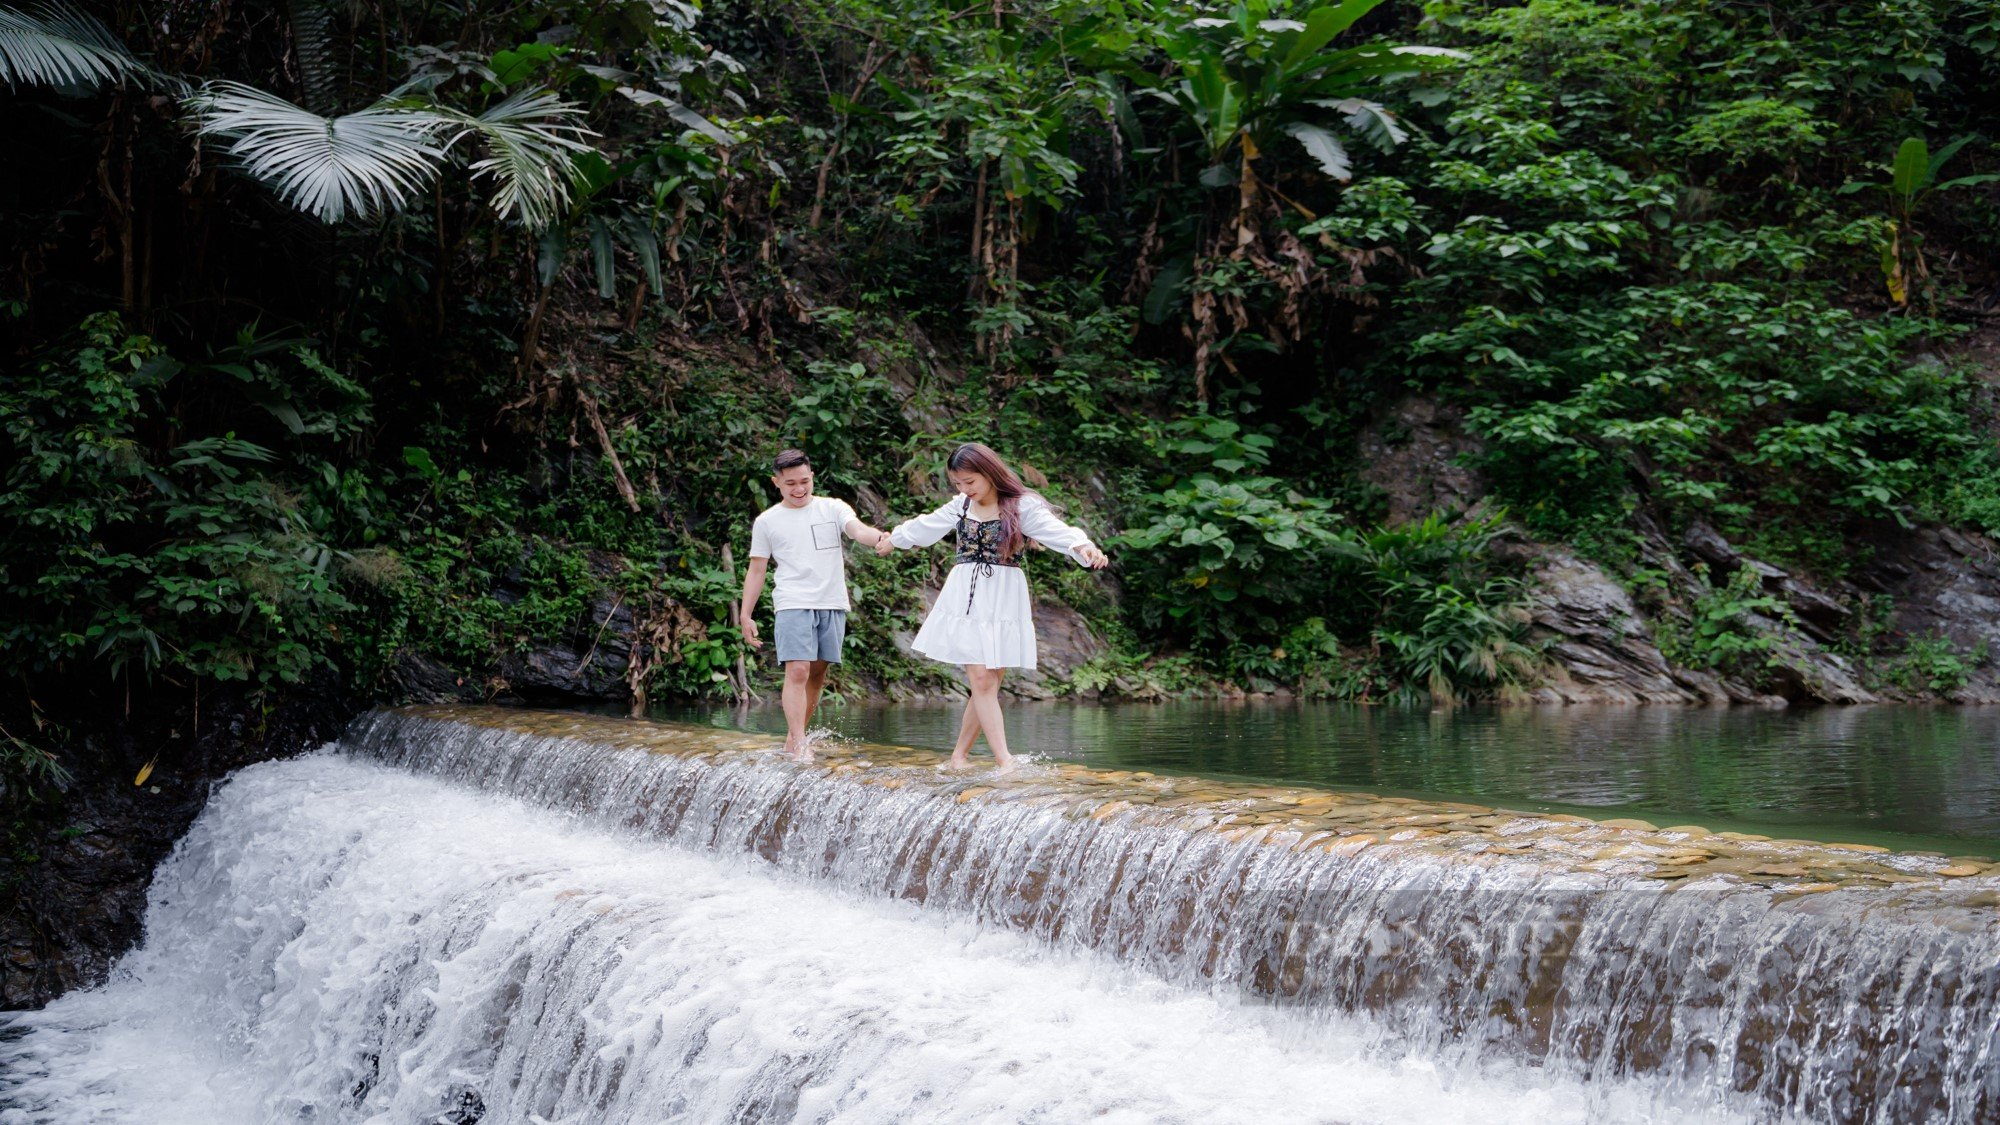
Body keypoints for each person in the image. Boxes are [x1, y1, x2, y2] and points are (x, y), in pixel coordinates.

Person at [877, 442, 1109, 770]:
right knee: (982, 679)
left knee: (989, 681)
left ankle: (958, 757)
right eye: (957, 483)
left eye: (970, 482)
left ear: (989, 473)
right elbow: (925, 526)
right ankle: (1004, 760)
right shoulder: (960, 506)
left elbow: (1058, 532)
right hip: (967, 596)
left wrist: (1084, 547)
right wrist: (894, 540)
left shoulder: (1020, 506)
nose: (964, 489)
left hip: (1005, 595)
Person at [739, 449, 891, 761]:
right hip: (792, 601)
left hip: (832, 601)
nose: (799, 489)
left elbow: (857, 530)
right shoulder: (767, 521)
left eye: (804, 481)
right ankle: (800, 742)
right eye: (791, 483)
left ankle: (792, 740)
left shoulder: (832, 508)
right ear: (776, 482)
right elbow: (757, 570)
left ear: (812, 478)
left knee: (817, 675)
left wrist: (879, 538)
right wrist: (745, 614)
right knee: (797, 670)